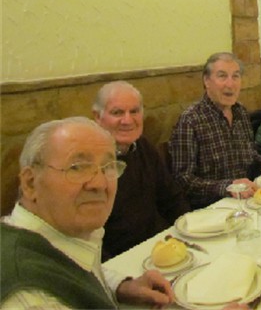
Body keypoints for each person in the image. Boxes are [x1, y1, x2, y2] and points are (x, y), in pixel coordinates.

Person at [1, 117, 175, 309]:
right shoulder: (32, 299)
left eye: (108, 167)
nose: (99, 184)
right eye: (77, 167)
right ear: (30, 183)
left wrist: (121, 287)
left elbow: (74, 270)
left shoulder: (59, 235)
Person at [169, 53, 261, 209]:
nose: (230, 84)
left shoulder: (240, 112)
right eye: (222, 76)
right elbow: (182, 180)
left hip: (247, 202)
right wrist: (228, 187)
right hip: (213, 209)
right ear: (207, 81)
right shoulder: (190, 120)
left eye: (235, 76)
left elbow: (249, 155)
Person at [92, 81, 191, 260]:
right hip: (121, 260)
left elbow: (172, 198)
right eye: (117, 112)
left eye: (134, 111)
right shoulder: (90, 162)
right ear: (97, 117)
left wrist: (190, 232)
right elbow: (87, 238)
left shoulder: (143, 146)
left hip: (160, 246)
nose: (127, 120)